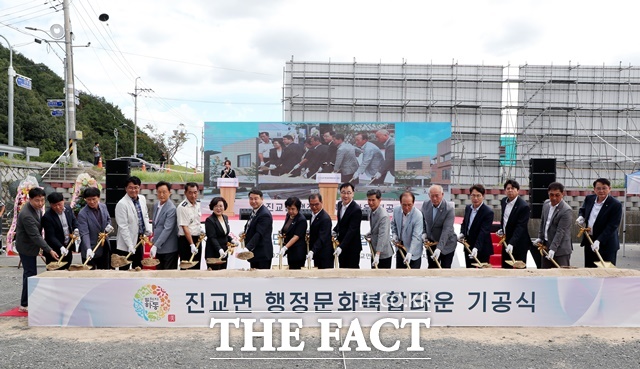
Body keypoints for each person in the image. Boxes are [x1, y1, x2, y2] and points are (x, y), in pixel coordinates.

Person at [15, 187, 59, 312]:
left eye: (42, 200)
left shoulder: (37, 209)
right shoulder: (26, 215)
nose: (40, 203)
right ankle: (24, 304)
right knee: (30, 274)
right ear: (30, 199)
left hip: (32, 245)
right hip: (26, 247)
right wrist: (49, 250)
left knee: (30, 274)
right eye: (37, 201)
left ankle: (29, 300)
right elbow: (35, 236)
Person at [577, 178, 622, 267]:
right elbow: (583, 209)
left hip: (606, 243)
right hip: (590, 240)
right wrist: (581, 216)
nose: (601, 191)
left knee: (605, 272)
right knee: (590, 270)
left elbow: (612, 226)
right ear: (594, 189)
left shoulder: (615, 204)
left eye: (604, 188)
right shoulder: (589, 199)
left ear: (609, 188)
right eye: (598, 188)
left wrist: (599, 240)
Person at [115, 176, 151, 270]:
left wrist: (147, 229)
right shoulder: (122, 204)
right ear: (126, 189)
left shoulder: (142, 199)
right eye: (130, 188)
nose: (133, 190)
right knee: (124, 268)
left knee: (138, 267)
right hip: (126, 242)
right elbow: (123, 227)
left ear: (139, 187)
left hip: (139, 239)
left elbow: (145, 215)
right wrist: (130, 245)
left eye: (136, 187)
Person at [535, 182, 573, 268]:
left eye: (557, 195)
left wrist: (553, 249)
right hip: (546, 245)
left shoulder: (566, 210)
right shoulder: (546, 204)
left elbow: (561, 231)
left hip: (561, 249)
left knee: (561, 276)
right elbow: (543, 222)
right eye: (551, 195)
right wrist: (540, 237)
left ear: (562, 194)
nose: (554, 198)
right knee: (546, 275)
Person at [498, 179, 533, 269]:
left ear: (517, 190)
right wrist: (502, 229)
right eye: (508, 188)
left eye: (512, 188)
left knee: (519, 268)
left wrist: (512, 243)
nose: (510, 190)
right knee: (505, 267)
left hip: (519, 242)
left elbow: (520, 227)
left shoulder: (523, 206)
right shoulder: (503, 201)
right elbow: (504, 219)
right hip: (506, 240)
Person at [421, 185, 457, 269]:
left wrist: (439, 248)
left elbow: (446, 230)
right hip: (431, 242)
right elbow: (422, 220)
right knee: (432, 268)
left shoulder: (449, 209)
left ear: (442, 194)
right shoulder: (426, 204)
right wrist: (424, 232)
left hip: (447, 244)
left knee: (445, 268)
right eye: (432, 196)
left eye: (437, 195)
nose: (434, 198)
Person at [77, 187, 113, 270]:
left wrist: (108, 226)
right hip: (91, 248)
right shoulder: (82, 214)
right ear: (85, 199)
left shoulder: (103, 207)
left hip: (104, 247)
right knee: (90, 276)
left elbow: (108, 219)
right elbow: (84, 233)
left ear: (99, 197)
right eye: (89, 200)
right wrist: (88, 249)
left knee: (104, 273)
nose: (92, 202)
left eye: (94, 199)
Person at [42, 192, 78, 270]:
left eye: (59, 204)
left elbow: (74, 220)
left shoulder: (68, 209)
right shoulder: (47, 217)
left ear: (63, 201)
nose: (58, 207)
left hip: (68, 246)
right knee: (54, 272)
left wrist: (76, 228)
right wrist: (60, 247)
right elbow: (50, 236)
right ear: (50, 204)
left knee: (67, 270)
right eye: (54, 205)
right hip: (54, 250)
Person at [460, 184, 494, 268]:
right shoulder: (468, 208)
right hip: (468, 246)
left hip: (482, 247)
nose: (475, 198)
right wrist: (462, 233)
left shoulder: (488, 212)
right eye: (473, 195)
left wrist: (476, 248)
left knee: (482, 275)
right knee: (469, 272)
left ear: (483, 196)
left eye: (478, 196)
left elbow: (484, 231)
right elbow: (465, 223)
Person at [150, 181, 179, 270]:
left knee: (168, 275)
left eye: (164, 192)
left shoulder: (171, 208)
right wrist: (154, 238)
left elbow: (167, 229)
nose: (161, 195)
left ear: (169, 193)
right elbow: (155, 224)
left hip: (169, 249)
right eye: (159, 192)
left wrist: (155, 245)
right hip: (159, 247)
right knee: (159, 274)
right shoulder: (156, 206)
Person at [391, 191, 424, 269]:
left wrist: (410, 252)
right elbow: (393, 224)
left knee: (413, 278)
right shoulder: (396, 210)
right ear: (400, 203)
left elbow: (416, 236)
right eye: (404, 205)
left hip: (413, 253)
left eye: (409, 205)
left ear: (413, 203)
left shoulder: (418, 215)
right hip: (400, 248)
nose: (406, 208)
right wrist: (395, 234)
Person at [333, 182, 362, 268]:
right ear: (340, 193)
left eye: (348, 193)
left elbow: (352, 231)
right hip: (341, 245)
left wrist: (341, 247)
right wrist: (334, 231)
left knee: (352, 273)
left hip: (352, 247)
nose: (346, 196)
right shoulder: (339, 205)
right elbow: (340, 223)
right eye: (343, 192)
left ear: (353, 194)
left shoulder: (356, 210)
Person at [243, 189, 274, 269]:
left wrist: (247, 248)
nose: (253, 201)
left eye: (256, 198)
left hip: (262, 254)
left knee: (262, 280)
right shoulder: (255, 211)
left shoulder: (264, 214)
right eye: (251, 199)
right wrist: (244, 232)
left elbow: (259, 234)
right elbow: (250, 226)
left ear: (262, 199)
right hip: (255, 254)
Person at [177, 182, 204, 270]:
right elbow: (185, 227)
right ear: (185, 193)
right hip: (186, 241)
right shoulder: (182, 207)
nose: (193, 195)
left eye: (195, 192)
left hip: (197, 239)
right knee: (186, 268)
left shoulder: (197, 204)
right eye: (190, 192)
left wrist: (201, 230)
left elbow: (196, 222)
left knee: (196, 267)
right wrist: (191, 244)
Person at [205, 197, 234, 270]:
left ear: (224, 207)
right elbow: (212, 237)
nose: (218, 208)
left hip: (224, 252)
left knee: (223, 275)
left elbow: (224, 234)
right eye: (216, 206)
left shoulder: (225, 217)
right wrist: (219, 249)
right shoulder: (209, 220)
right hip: (213, 253)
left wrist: (232, 240)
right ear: (212, 207)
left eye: (221, 206)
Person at [367, 189, 393, 269]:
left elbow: (383, 236)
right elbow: (374, 227)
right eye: (369, 200)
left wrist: (378, 254)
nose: (371, 203)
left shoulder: (383, 216)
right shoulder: (370, 210)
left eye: (373, 200)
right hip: (374, 250)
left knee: (383, 279)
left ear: (379, 200)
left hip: (383, 254)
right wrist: (370, 233)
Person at [279, 197, 307, 269]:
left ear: (298, 208)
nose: (290, 211)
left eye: (292, 209)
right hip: (290, 251)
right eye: (288, 209)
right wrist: (281, 232)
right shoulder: (288, 215)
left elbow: (296, 236)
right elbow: (286, 228)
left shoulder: (301, 220)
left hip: (298, 251)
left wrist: (285, 247)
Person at [307, 193, 333, 269]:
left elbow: (322, 238)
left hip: (325, 255)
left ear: (321, 202)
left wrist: (312, 251)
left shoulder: (325, 218)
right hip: (317, 254)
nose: (314, 207)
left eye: (316, 204)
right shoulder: (313, 215)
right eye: (311, 205)